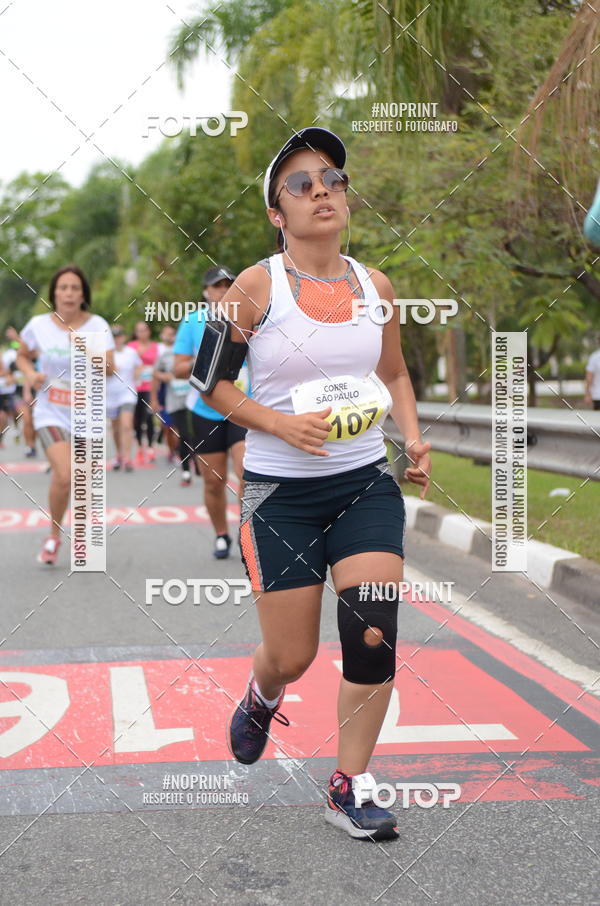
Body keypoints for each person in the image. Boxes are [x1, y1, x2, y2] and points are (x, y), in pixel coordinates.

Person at [201, 128, 431, 841]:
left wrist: (412, 436)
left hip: (364, 484)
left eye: (332, 178)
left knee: (373, 631)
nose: (322, 190)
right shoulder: (256, 286)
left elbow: (392, 374)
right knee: (293, 655)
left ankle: (348, 783)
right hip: (280, 497)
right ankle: (263, 693)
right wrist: (276, 424)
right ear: (278, 214)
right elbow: (209, 382)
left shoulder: (375, 286)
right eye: (301, 184)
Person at [16, 266, 114, 565]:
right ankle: (54, 535)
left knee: (81, 480)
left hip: (88, 412)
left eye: (75, 288)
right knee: (64, 474)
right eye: (63, 288)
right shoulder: (38, 325)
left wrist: (86, 347)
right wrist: (31, 373)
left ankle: (79, 534)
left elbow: (110, 369)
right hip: (50, 412)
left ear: (83, 293)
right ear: (54, 294)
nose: (69, 293)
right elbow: (21, 355)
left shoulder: (97, 325)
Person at [173, 266, 249, 558]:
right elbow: (178, 368)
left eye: (229, 285)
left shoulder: (248, 318)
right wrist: (207, 362)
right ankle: (220, 534)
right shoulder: (192, 321)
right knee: (214, 481)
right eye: (217, 286)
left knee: (246, 474)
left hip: (244, 408)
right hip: (206, 409)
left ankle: (247, 534)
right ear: (206, 292)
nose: (223, 291)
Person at [151, 324, 195, 482]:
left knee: (194, 434)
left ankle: (195, 460)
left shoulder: (194, 353)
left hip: (193, 400)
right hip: (174, 401)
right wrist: (154, 398)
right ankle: (186, 471)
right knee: (183, 434)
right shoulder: (166, 355)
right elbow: (155, 373)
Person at [106, 326, 143, 471]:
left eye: (119, 336)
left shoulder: (131, 353)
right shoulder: (105, 353)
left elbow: (139, 366)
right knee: (115, 428)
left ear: (123, 337)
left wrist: (136, 375)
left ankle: (128, 458)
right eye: (113, 337)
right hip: (110, 395)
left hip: (127, 393)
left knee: (126, 425)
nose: (116, 339)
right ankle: (119, 454)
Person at [129, 321, 160, 464]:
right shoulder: (131, 347)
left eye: (144, 330)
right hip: (134, 387)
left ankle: (150, 448)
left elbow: (159, 366)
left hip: (150, 386)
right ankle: (140, 447)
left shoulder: (155, 347)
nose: (142, 333)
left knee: (149, 417)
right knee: (137, 419)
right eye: (139, 330)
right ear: (136, 333)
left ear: (149, 331)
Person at [584, 342, 600, 410]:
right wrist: (587, 393)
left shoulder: (594, 357)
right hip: (598, 395)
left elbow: (589, 376)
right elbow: (589, 377)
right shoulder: (595, 357)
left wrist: (587, 393)